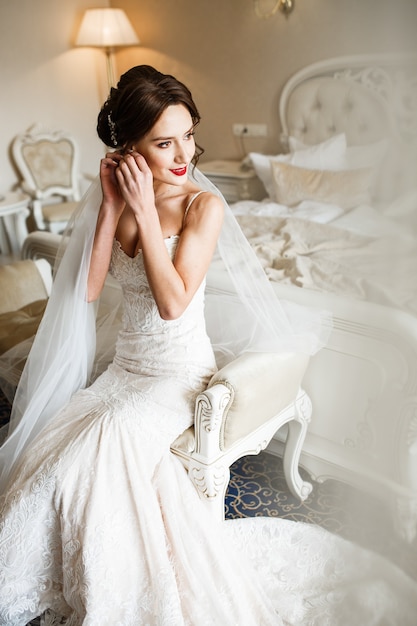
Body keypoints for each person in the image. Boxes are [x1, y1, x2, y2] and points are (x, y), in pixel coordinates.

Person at [0, 65, 416, 625]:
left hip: (175, 377)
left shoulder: (204, 206)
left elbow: (172, 303)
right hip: (126, 372)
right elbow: (91, 289)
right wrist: (109, 205)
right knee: (53, 456)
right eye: (164, 142)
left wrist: (146, 213)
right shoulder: (122, 197)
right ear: (129, 147)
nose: (183, 155)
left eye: (188, 135)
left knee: (94, 451)